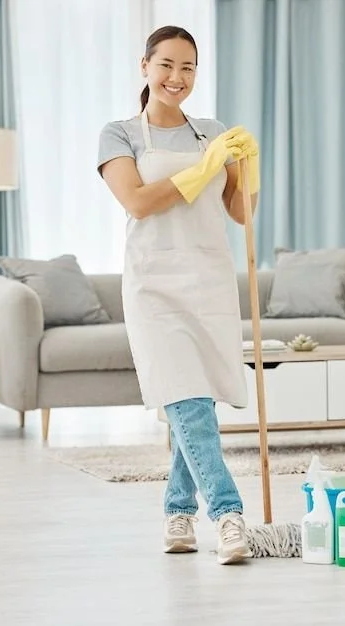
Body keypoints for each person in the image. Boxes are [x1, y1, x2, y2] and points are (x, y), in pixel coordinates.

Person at [97, 25, 260, 565]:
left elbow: (241, 215)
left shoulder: (210, 131)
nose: (176, 77)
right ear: (144, 66)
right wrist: (204, 167)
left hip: (209, 280)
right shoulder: (119, 134)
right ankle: (229, 513)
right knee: (186, 399)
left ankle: (177, 510)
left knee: (197, 403)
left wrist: (245, 170)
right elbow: (139, 203)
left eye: (188, 67)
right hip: (153, 285)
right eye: (166, 64)